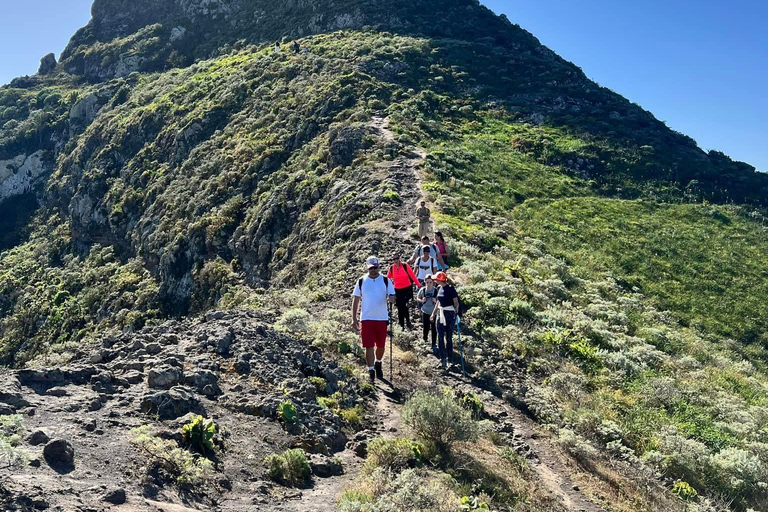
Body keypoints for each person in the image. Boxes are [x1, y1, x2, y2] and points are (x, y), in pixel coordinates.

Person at [352, 256, 396, 383]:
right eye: (371, 268)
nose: (373, 270)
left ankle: (378, 362)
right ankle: (371, 371)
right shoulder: (361, 281)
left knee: (381, 345)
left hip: (381, 318)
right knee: (369, 345)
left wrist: (392, 298)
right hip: (366, 318)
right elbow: (355, 300)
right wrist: (354, 318)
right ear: (367, 268)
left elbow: (392, 295)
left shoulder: (386, 280)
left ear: (378, 266)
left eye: (375, 268)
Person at [430, 272, 460, 371]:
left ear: (440, 280)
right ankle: (443, 359)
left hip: (449, 314)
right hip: (441, 313)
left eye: (436, 279)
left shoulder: (451, 289)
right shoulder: (439, 289)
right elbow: (438, 303)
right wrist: (433, 314)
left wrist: (456, 313)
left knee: (449, 337)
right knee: (440, 336)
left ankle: (450, 360)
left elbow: (456, 303)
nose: (435, 281)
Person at [386, 254, 419, 331]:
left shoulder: (405, 266)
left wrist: (418, 284)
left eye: (397, 258)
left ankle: (405, 323)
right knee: (400, 307)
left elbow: (412, 275)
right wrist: (386, 288)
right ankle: (404, 324)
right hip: (397, 290)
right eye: (394, 259)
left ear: (399, 258)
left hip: (407, 289)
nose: (395, 260)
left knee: (402, 305)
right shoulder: (391, 268)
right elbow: (387, 279)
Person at [416, 275, 438, 355]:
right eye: (427, 282)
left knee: (434, 329)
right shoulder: (423, 289)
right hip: (425, 311)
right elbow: (417, 297)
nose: (429, 284)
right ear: (425, 282)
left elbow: (440, 301)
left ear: (433, 282)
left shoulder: (436, 291)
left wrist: (436, 301)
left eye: (430, 282)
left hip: (434, 313)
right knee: (425, 327)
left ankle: (434, 344)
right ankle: (424, 340)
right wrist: (421, 300)